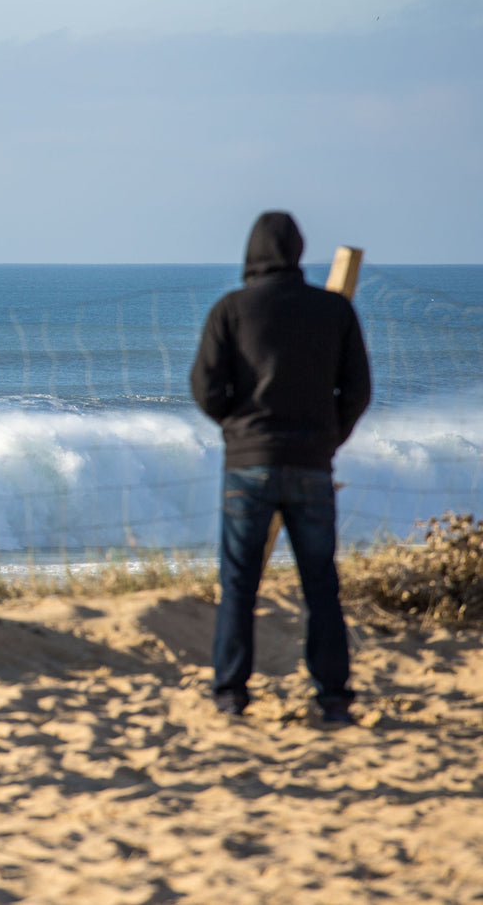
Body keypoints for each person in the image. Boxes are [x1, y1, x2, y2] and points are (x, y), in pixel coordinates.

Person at [190, 212, 372, 723]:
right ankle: (332, 698)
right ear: (297, 251)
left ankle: (231, 694)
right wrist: (330, 437)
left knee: (239, 585)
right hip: (312, 464)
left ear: (251, 252)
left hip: (249, 464)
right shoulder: (333, 311)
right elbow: (357, 389)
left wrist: (236, 429)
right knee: (320, 585)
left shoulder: (232, 309)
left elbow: (206, 388)